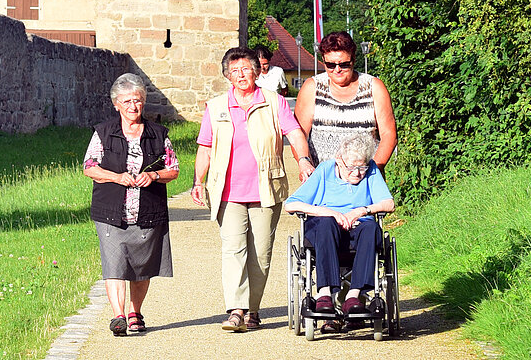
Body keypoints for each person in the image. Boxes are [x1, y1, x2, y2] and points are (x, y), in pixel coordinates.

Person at [190, 46, 315, 333]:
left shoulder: (274, 102)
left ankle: (253, 310)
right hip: (227, 191)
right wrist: (198, 181)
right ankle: (236, 310)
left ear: (257, 70)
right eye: (234, 71)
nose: (241, 75)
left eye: (246, 68)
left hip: (266, 189)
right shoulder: (216, 106)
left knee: (261, 252)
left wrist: (304, 160)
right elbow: (205, 148)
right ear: (227, 76)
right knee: (234, 248)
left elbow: (294, 133)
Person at [84, 73, 180, 337]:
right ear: (116, 104)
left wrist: (154, 175)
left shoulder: (158, 134)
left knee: (141, 265)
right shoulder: (103, 132)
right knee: (114, 262)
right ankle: (118, 316)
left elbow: (173, 169)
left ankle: (135, 312)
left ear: (143, 102)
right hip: (111, 210)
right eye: (126, 101)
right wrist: (116, 177)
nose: (132, 106)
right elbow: (89, 167)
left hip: (147, 210)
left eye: (137, 101)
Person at [284, 131, 395, 322]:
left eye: (362, 167)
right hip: (324, 229)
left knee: (371, 229)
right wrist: (331, 213)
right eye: (351, 167)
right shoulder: (325, 170)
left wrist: (361, 211)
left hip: (359, 228)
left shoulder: (371, 170)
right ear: (339, 161)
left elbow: (388, 204)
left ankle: (353, 296)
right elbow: (291, 204)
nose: (357, 173)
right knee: (326, 224)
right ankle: (325, 293)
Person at [294, 31, 397, 170]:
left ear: (353, 60)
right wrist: (305, 163)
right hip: (323, 178)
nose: (337, 70)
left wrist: (373, 171)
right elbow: (299, 135)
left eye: (344, 64)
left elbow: (388, 134)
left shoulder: (374, 87)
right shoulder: (312, 87)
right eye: (330, 65)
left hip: (365, 177)